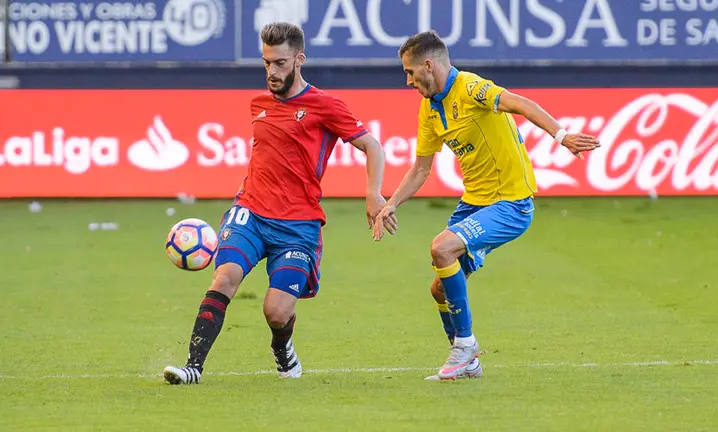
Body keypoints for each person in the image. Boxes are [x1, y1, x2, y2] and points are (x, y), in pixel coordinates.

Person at [164, 22, 387, 384]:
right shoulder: (258, 104)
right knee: (225, 278)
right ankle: (193, 366)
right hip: (249, 213)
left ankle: (283, 348)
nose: (271, 71)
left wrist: (373, 192)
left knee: (276, 312)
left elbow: (372, 146)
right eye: (266, 62)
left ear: (299, 60)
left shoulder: (324, 105)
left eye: (280, 63)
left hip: (298, 225)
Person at [373, 30, 600, 381]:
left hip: (511, 203)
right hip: (474, 204)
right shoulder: (429, 108)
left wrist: (562, 136)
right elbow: (421, 168)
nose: (407, 81)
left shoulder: (472, 88)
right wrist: (392, 203)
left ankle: (464, 346)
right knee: (439, 287)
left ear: (428, 65)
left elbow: (522, 104)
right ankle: (468, 362)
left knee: (441, 247)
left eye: (409, 72)